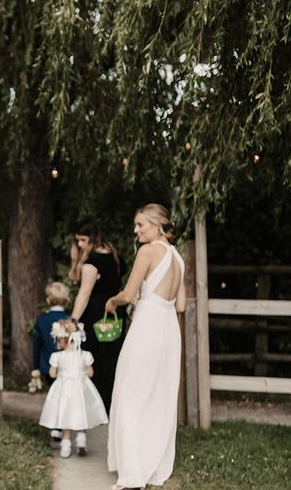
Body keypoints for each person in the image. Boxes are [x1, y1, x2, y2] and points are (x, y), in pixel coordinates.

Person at [106, 203, 186, 490]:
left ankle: (133, 472)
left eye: (140, 224)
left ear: (156, 225)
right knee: (158, 398)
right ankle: (153, 465)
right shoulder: (178, 257)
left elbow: (128, 293)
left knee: (130, 394)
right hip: (168, 330)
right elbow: (182, 304)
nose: (136, 230)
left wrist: (113, 302)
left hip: (148, 327)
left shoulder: (148, 251)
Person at [69, 220, 125, 412]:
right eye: (78, 240)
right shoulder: (115, 256)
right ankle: (111, 405)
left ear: (93, 239)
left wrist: (74, 319)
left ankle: (95, 407)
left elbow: (84, 293)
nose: (80, 245)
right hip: (115, 313)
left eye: (83, 240)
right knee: (112, 359)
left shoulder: (91, 263)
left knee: (94, 360)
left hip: (96, 315)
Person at [38, 319, 108, 458]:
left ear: (61, 339)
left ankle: (66, 445)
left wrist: (61, 374)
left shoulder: (57, 356)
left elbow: (52, 373)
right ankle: (81, 441)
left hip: (64, 389)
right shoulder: (85, 355)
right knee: (81, 413)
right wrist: (81, 373)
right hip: (81, 388)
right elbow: (90, 373)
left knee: (66, 416)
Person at [33, 282, 70, 443]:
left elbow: (37, 345)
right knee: (66, 396)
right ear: (67, 300)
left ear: (48, 300)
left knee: (54, 395)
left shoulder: (41, 320)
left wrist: (35, 366)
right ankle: (63, 425)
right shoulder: (70, 320)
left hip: (48, 366)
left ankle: (56, 428)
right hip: (68, 366)